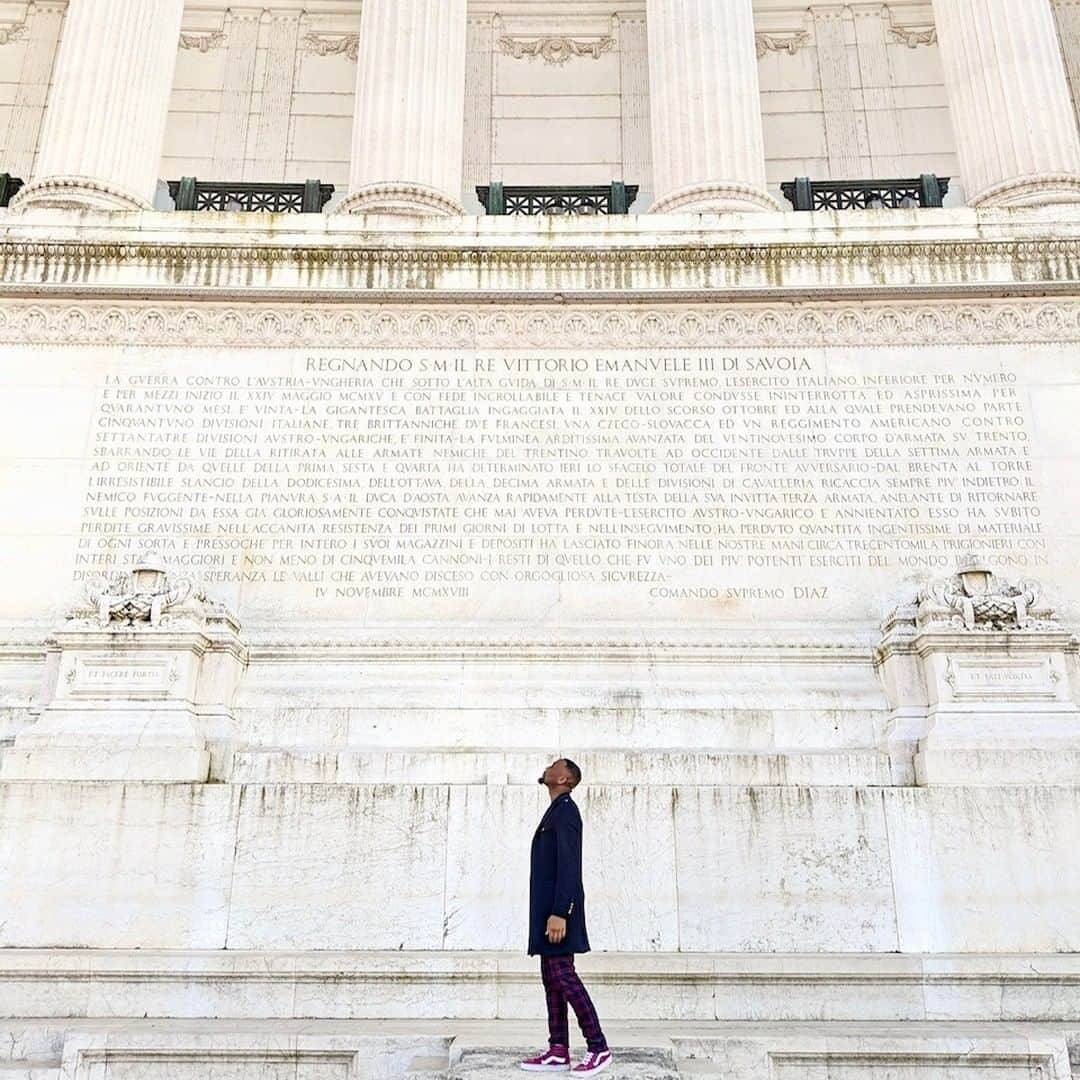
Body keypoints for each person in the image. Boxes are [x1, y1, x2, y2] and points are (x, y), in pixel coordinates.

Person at [520, 758, 612, 1075]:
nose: (545, 768)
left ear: (563, 778)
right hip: (548, 912)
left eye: (552, 766)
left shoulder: (567, 811)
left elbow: (570, 865)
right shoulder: (556, 810)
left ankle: (598, 1047)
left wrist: (561, 912)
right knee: (552, 980)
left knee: (564, 977)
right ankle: (558, 1049)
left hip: (559, 913)